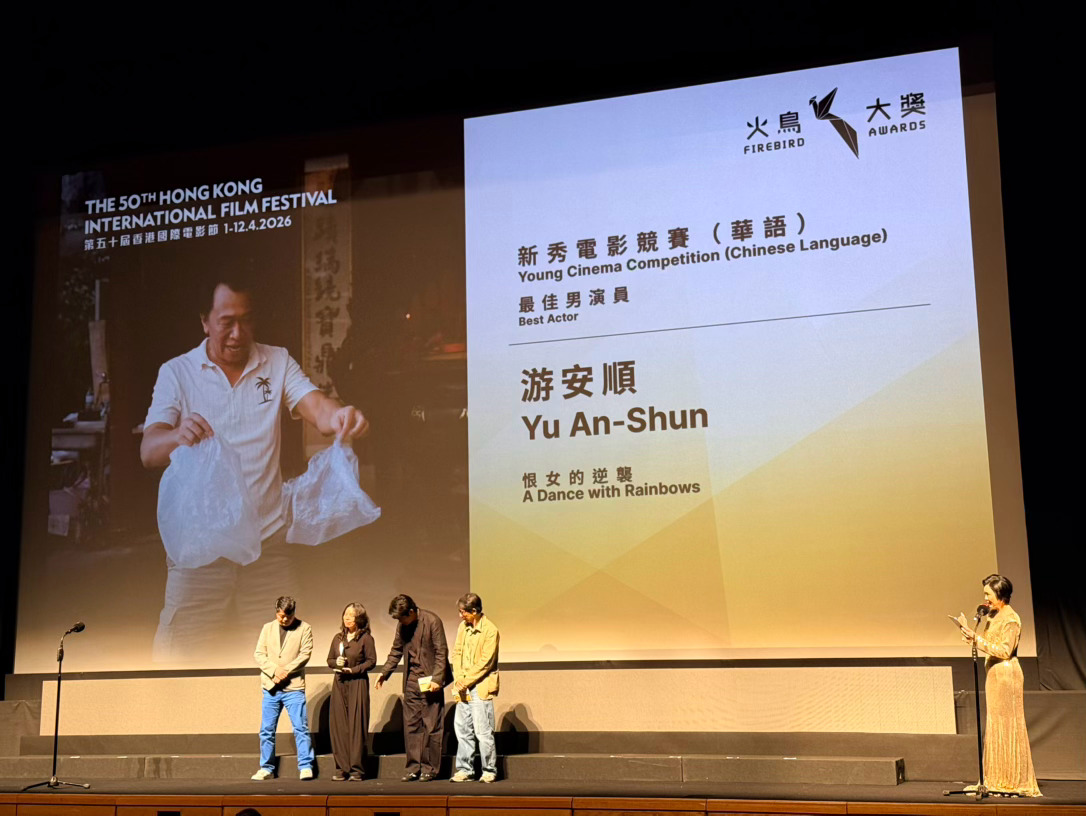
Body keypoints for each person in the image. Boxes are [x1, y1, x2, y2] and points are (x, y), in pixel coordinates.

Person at [141, 278, 368, 662]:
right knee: (178, 662)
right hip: (200, 551)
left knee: (285, 661)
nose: (237, 333)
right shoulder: (177, 372)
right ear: (205, 321)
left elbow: (317, 408)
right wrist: (178, 434)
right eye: (226, 322)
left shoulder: (276, 361)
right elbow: (149, 450)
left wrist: (340, 415)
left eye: (246, 320)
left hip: (267, 548)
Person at [956, 574, 1042, 797]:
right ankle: (996, 777)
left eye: (988, 594)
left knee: (1008, 726)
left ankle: (1012, 779)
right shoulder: (993, 615)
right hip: (994, 674)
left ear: (1000, 594)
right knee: (996, 726)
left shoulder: (1011, 618)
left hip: (1006, 675)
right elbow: (989, 644)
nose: (985, 598)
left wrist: (977, 639)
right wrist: (970, 634)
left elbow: (1004, 651)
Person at [375, 594, 448, 781]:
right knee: (411, 726)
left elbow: (441, 652)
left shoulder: (432, 621)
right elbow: (396, 651)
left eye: (402, 618)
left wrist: (437, 679)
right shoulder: (402, 625)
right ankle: (413, 767)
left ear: (412, 612)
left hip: (430, 682)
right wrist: (384, 673)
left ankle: (430, 769)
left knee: (432, 726)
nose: (400, 622)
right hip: (411, 682)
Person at [252, 596, 315, 780]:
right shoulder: (267, 628)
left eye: (288, 616)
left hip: (293, 687)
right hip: (271, 687)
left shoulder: (305, 628)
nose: (284, 619)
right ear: (276, 612)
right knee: (266, 730)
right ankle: (266, 767)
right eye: (281, 616)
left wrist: (285, 670)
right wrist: (275, 670)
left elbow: (305, 655)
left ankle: (305, 766)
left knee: (300, 728)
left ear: (294, 613)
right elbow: (259, 654)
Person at [449, 592, 500, 783]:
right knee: (462, 730)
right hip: (463, 686)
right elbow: (457, 653)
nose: (460, 615)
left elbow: (486, 663)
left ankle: (489, 770)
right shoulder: (463, 627)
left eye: (463, 612)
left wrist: (467, 680)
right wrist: (459, 678)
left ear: (475, 611)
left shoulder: (490, 630)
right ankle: (465, 769)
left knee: (483, 731)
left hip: (480, 686)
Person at [326, 602, 377, 780]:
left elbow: (371, 661)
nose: (347, 618)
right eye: (345, 614)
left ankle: (356, 769)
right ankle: (341, 767)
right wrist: (336, 663)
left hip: (357, 682)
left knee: (357, 726)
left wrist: (354, 670)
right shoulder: (338, 638)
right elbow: (330, 660)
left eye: (351, 615)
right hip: (340, 683)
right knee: (339, 726)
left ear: (359, 619)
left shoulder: (366, 639)